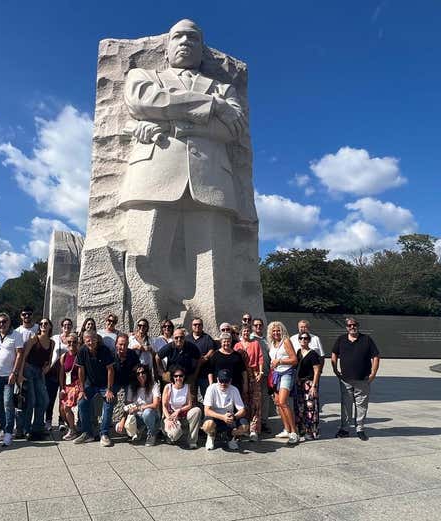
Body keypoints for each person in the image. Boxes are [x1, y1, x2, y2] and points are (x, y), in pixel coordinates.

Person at [120, 19, 252, 328]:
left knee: (213, 268)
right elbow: (143, 101)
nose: (185, 42)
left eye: (192, 38)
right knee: (144, 259)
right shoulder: (144, 76)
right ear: (166, 47)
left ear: (201, 50)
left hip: (211, 180)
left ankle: (212, 335)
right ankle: (142, 336)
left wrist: (172, 124)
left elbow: (233, 127)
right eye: (178, 37)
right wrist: (211, 105)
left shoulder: (225, 87)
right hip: (153, 174)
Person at [331, 318, 380, 441]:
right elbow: (334, 354)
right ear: (346, 327)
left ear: (358, 326)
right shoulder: (341, 339)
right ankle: (345, 429)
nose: (352, 327)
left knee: (361, 405)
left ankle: (360, 429)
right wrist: (335, 369)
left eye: (354, 325)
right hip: (345, 379)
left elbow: (375, 356)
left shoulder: (366, 340)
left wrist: (373, 373)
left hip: (362, 379)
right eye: (349, 325)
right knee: (346, 405)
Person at [73, 330, 116, 446]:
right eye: (88, 341)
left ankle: (104, 434)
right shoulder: (82, 351)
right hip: (90, 384)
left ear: (96, 339)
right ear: (84, 341)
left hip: (103, 385)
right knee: (82, 402)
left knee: (109, 401)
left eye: (92, 340)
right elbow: (80, 370)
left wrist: (109, 389)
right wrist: (82, 390)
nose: (90, 342)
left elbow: (110, 370)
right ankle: (87, 433)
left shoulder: (104, 350)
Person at [0, 312, 24, 447]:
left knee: (8, 403)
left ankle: (9, 432)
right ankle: (3, 429)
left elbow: (20, 354)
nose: (1, 324)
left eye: (4, 321)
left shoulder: (16, 335)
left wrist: (14, 372)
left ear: (9, 322)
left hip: (9, 375)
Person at [14, 318, 54, 440]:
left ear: (50, 327)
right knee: (30, 401)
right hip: (28, 369)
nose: (42, 325)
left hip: (39, 372)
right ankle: (27, 429)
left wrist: (47, 368)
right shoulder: (33, 339)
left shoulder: (52, 343)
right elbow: (24, 356)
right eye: (41, 324)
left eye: (45, 324)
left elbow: (50, 359)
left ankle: (37, 427)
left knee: (44, 400)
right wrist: (20, 374)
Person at [201, 369, 249, 450]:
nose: (223, 384)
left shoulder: (234, 389)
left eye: (226, 381)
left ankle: (231, 436)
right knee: (207, 425)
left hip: (230, 417)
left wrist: (234, 417)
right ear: (217, 379)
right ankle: (211, 435)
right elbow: (207, 411)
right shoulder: (211, 388)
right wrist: (222, 417)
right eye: (221, 381)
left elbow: (242, 410)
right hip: (215, 417)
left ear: (230, 380)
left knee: (244, 427)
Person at [267, 321, 299, 444]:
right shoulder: (272, 343)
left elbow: (294, 360)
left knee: (283, 402)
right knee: (277, 403)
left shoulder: (286, 341)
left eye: (278, 330)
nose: (276, 332)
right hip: (276, 374)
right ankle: (286, 429)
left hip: (286, 373)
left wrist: (280, 361)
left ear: (283, 331)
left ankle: (294, 432)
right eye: (274, 330)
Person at [116, 364, 160, 446]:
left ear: (147, 373)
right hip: (137, 418)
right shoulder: (131, 387)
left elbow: (156, 404)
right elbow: (127, 406)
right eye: (138, 374)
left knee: (147, 413)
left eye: (143, 372)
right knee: (118, 428)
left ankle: (152, 434)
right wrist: (122, 421)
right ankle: (138, 430)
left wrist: (139, 408)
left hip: (151, 416)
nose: (141, 375)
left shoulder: (154, 385)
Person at [234, 325, 264, 441]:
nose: (246, 332)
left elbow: (260, 358)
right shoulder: (237, 345)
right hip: (241, 377)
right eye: (244, 331)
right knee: (243, 402)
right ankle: (244, 428)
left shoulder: (255, 344)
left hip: (254, 375)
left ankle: (254, 429)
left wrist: (261, 372)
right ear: (241, 333)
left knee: (255, 403)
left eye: (247, 331)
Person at [162, 365, 202, 449]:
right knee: (175, 435)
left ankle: (192, 441)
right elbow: (164, 406)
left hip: (182, 414)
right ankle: (170, 434)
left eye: (181, 376)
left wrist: (179, 410)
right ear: (173, 377)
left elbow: (189, 405)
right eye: (176, 376)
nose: (178, 378)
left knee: (197, 410)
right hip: (171, 415)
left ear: (184, 377)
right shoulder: (168, 387)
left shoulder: (187, 387)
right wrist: (169, 419)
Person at [48, 317, 74, 431]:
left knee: (63, 398)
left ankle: (61, 420)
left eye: (69, 325)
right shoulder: (55, 338)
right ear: (62, 326)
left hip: (67, 373)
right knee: (51, 396)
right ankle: (48, 420)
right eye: (65, 325)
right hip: (54, 370)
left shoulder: (73, 339)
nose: (67, 327)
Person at [294, 333, 321, 441]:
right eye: (301, 338)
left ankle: (311, 432)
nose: (303, 340)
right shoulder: (298, 352)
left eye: (306, 338)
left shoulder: (313, 354)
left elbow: (317, 370)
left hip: (309, 383)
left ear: (309, 340)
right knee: (300, 408)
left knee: (310, 408)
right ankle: (302, 430)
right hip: (299, 384)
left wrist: (314, 386)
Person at [208, 332, 248, 399]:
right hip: (220, 387)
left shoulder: (237, 355)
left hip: (235, 386)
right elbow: (210, 371)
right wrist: (211, 385)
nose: (226, 343)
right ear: (221, 342)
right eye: (224, 342)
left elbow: (243, 371)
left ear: (231, 342)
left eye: (228, 341)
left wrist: (245, 385)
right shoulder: (215, 355)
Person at [251, 318, 272, 434]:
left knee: (264, 399)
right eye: (256, 325)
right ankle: (253, 422)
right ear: (253, 327)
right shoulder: (249, 338)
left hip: (265, 373)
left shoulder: (267, 340)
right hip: (252, 374)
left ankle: (263, 422)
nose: (258, 327)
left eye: (260, 325)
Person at [58, 333, 81, 440]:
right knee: (62, 409)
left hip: (77, 385)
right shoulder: (64, 356)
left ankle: (72, 430)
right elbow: (61, 373)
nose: (72, 344)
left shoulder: (80, 355)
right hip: (67, 386)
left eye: (74, 342)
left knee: (67, 407)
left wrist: (81, 388)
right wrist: (62, 388)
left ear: (78, 343)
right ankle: (72, 427)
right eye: (69, 342)